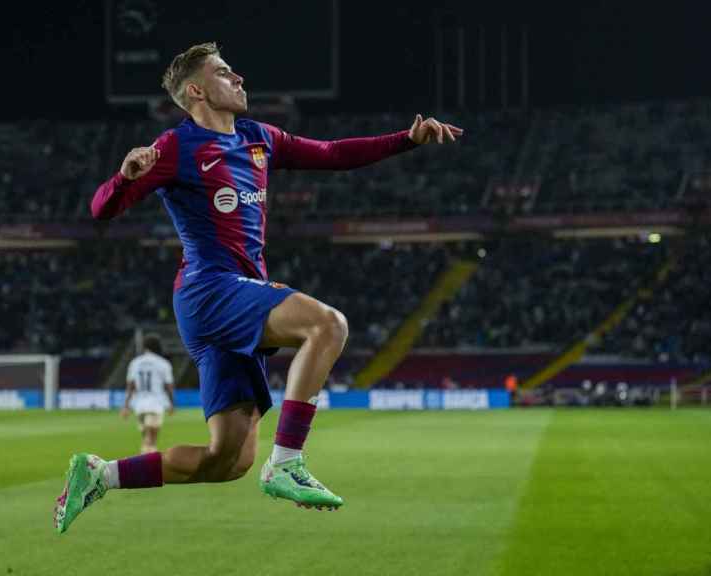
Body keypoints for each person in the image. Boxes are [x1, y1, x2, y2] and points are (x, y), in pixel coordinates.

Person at [54, 42, 462, 534]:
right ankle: (288, 460)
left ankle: (100, 474)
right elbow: (101, 211)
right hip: (210, 291)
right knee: (327, 325)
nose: (240, 77)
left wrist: (407, 139)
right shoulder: (175, 147)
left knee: (226, 460)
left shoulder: (258, 137)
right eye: (225, 72)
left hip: (231, 296)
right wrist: (123, 177)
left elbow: (332, 154)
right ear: (197, 90)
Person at [121, 334, 175, 454]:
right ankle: (145, 465)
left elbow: (130, 386)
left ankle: (146, 463)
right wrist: (172, 404)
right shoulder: (163, 363)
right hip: (156, 404)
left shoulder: (135, 362)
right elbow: (169, 386)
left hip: (139, 405)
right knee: (150, 441)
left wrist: (126, 406)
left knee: (147, 438)